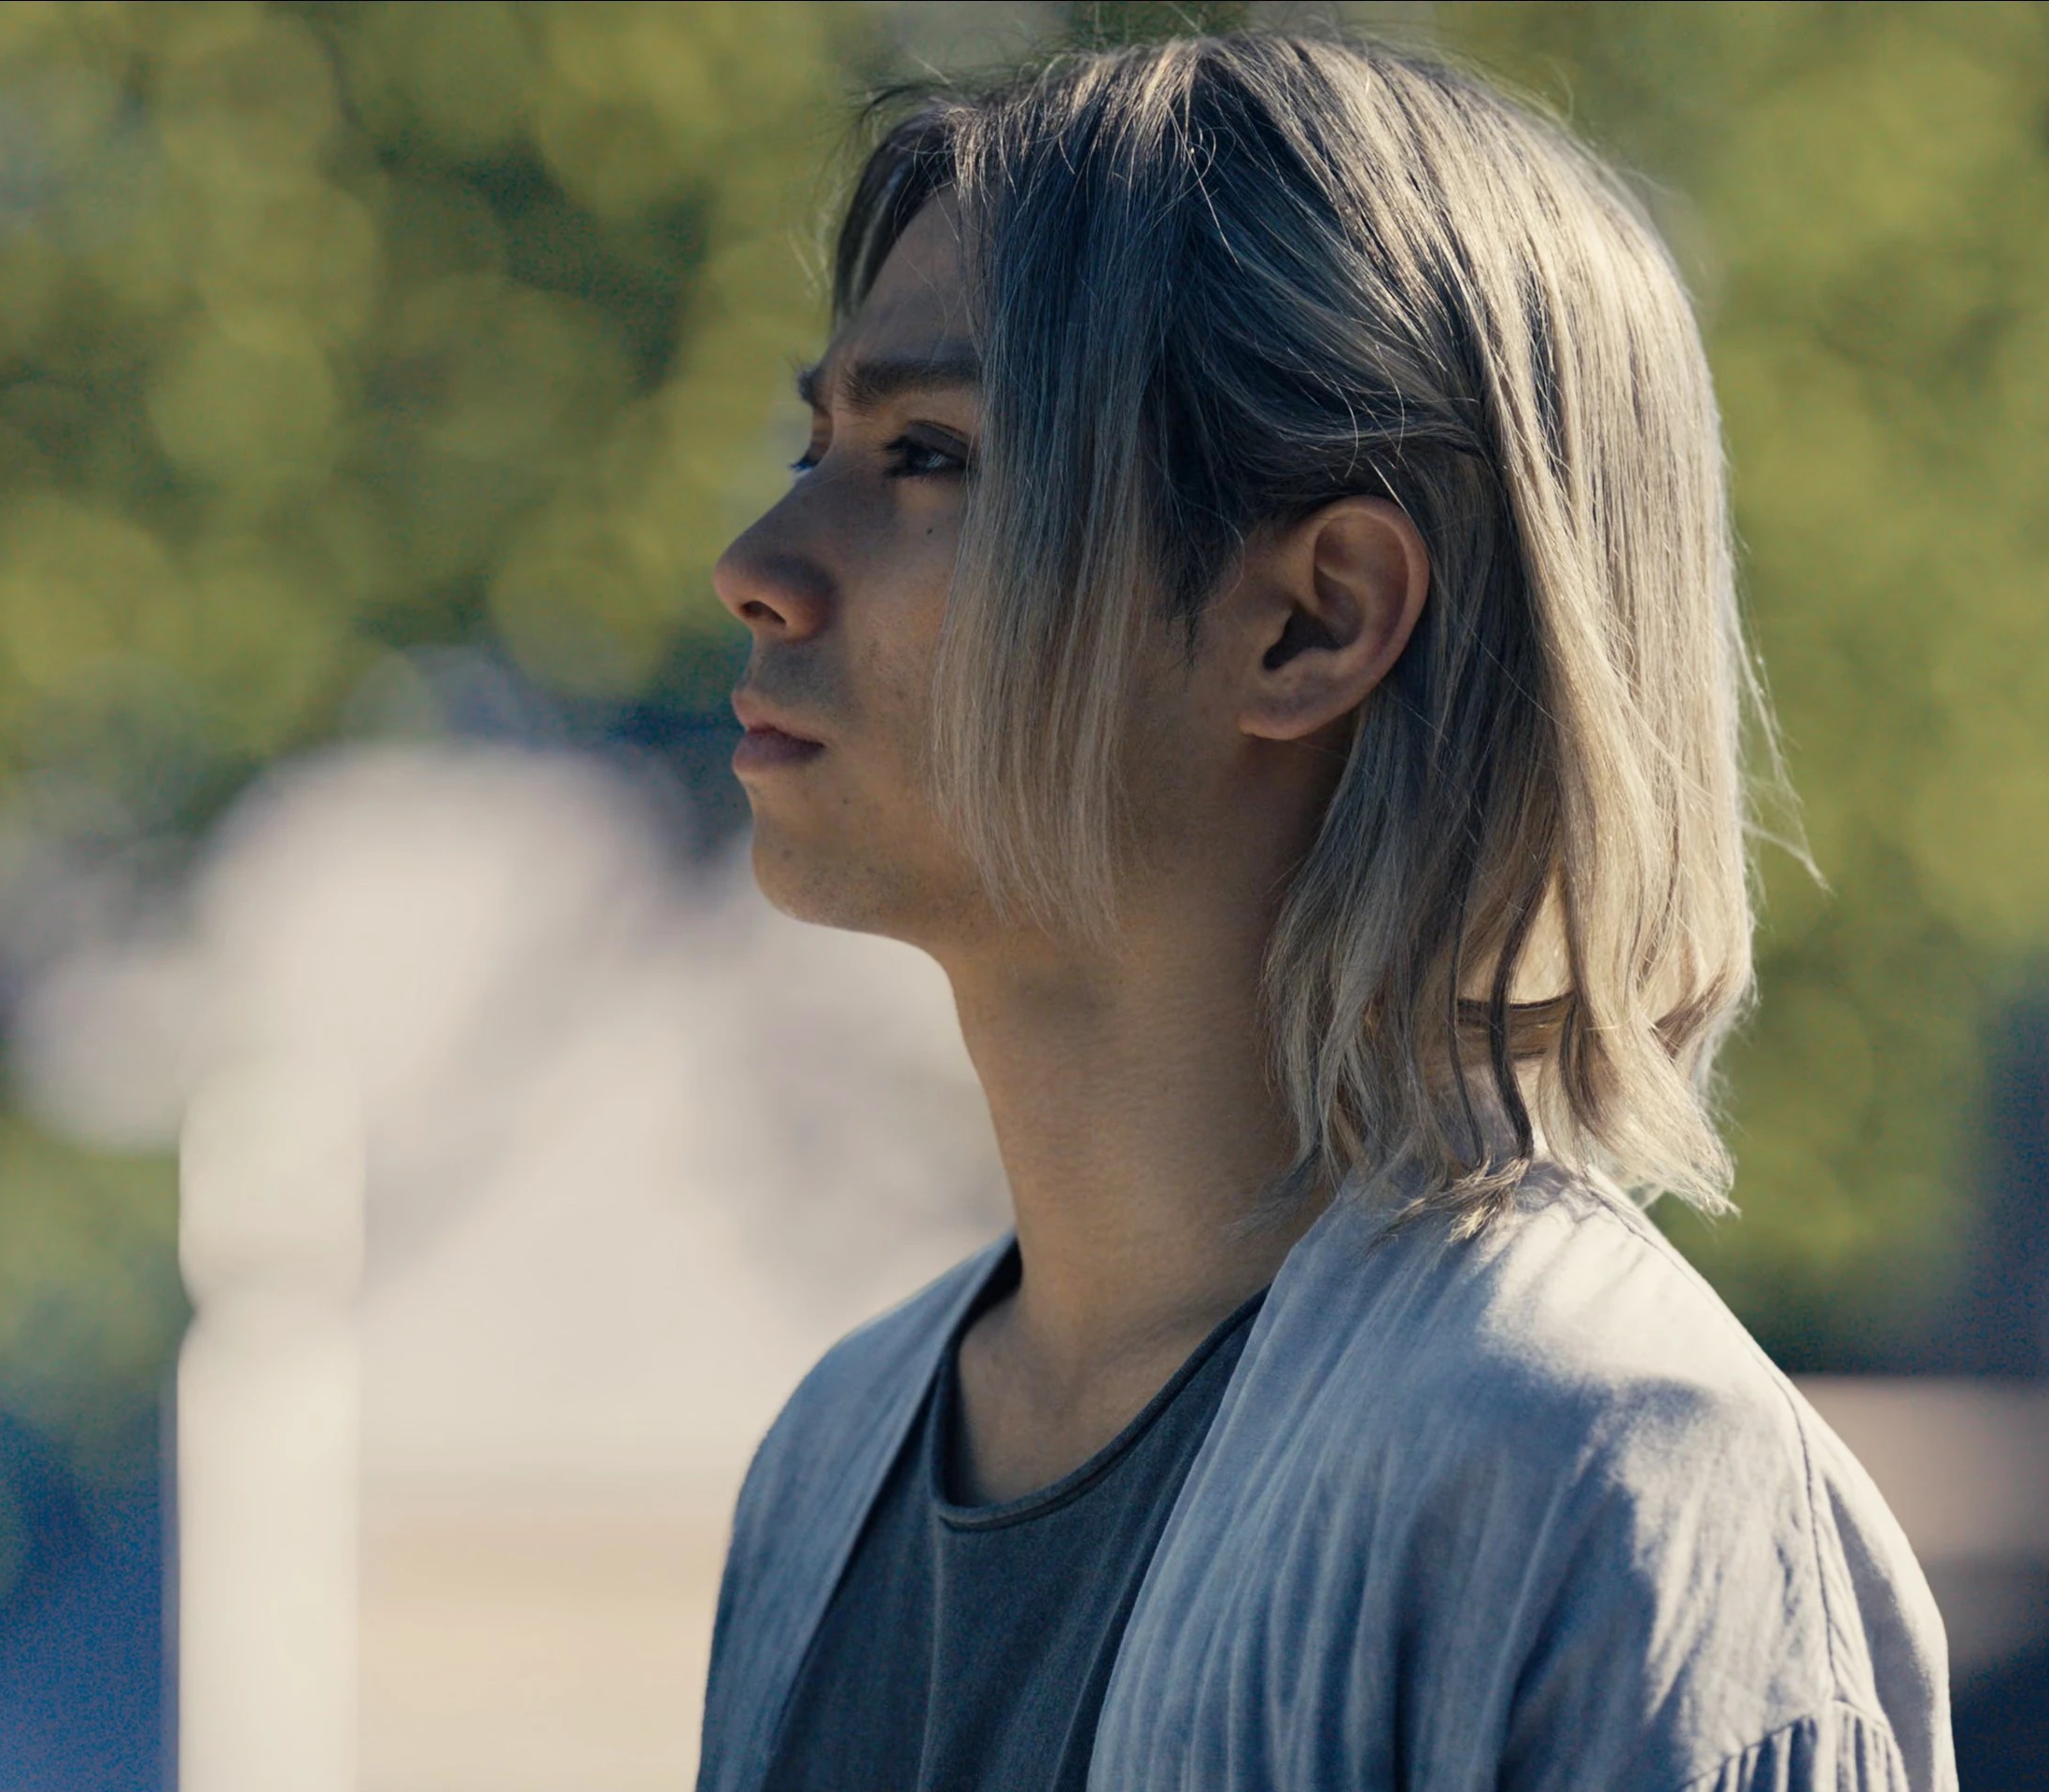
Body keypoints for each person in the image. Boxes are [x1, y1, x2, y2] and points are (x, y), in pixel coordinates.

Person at [701, 31, 1950, 1792]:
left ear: (1314, 619)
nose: (756, 563)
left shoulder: (1600, 1482)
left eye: (927, 453)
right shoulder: (834, 1465)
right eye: (814, 440)